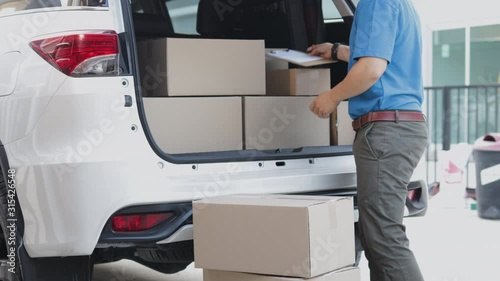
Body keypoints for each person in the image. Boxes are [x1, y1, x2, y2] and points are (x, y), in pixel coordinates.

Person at [307, 0, 427, 281]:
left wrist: (332, 96)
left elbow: (372, 68)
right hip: (399, 128)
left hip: (386, 132)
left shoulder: (376, 3)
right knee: (377, 238)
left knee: (384, 238)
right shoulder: (399, 4)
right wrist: (336, 51)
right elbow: (375, 55)